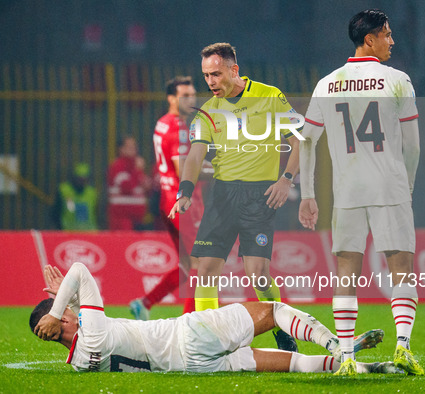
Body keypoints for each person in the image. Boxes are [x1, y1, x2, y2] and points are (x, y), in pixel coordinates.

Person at [298, 9, 422, 376]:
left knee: (346, 270)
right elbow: (412, 146)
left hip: (347, 189)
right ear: (369, 39)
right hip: (390, 185)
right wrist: (408, 184)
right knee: (401, 268)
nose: (392, 41)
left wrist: (308, 193)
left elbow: (307, 139)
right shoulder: (398, 80)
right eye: (386, 34)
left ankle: (348, 357)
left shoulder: (327, 83)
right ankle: (402, 348)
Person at [168, 43, 302, 351]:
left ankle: (282, 329)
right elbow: (194, 155)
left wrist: (286, 179)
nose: (211, 81)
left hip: (260, 196)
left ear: (234, 70)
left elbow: (299, 142)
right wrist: (184, 191)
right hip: (223, 195)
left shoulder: (270, 96)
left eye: (216, 74)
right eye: (206, 75)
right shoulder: (207, 112)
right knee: (205, 269)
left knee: (258, 273)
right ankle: (207, 339)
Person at [31, 263, 396, 374]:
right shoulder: (90, 331)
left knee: (295, 365)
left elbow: (86, 323)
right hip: (188, 335)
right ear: (58, 321)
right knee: (274, 311)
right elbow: (79, 269)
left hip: (190, 366)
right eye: (66, 313)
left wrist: (62, 309)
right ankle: (341, 346)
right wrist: (57, 305)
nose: (72, 311)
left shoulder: (81, 362)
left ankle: (373, 369)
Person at [130, 76, 208, 319]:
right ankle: (190, 323)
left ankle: (145, 303)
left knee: (188, 265)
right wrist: (218, 170)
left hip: (167, 200)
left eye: (193, 95)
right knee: (202, 263)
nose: (191, 100)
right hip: (183, 203)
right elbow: (183, 169)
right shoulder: (179, 128)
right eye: (184, 96)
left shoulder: (161, 123)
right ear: (171, 98)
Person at [107, 136, 151, 230]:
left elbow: (146, 188)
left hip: (138, 218)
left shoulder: (136, 165)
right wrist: (137, 170)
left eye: (134, 146)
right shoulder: (118, 166)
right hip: (123, 219)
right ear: (121, 149)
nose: (133, 149)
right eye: (129, 147)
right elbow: (126, 188)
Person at [51, 162, 99, 230]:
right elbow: (56, 212)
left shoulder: (92, 193)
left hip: (89, 233)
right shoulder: (64, 190)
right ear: (74, 178)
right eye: (79, 179)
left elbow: (97, 213)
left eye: (84, 179)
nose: (81, 182)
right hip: (68, 232)